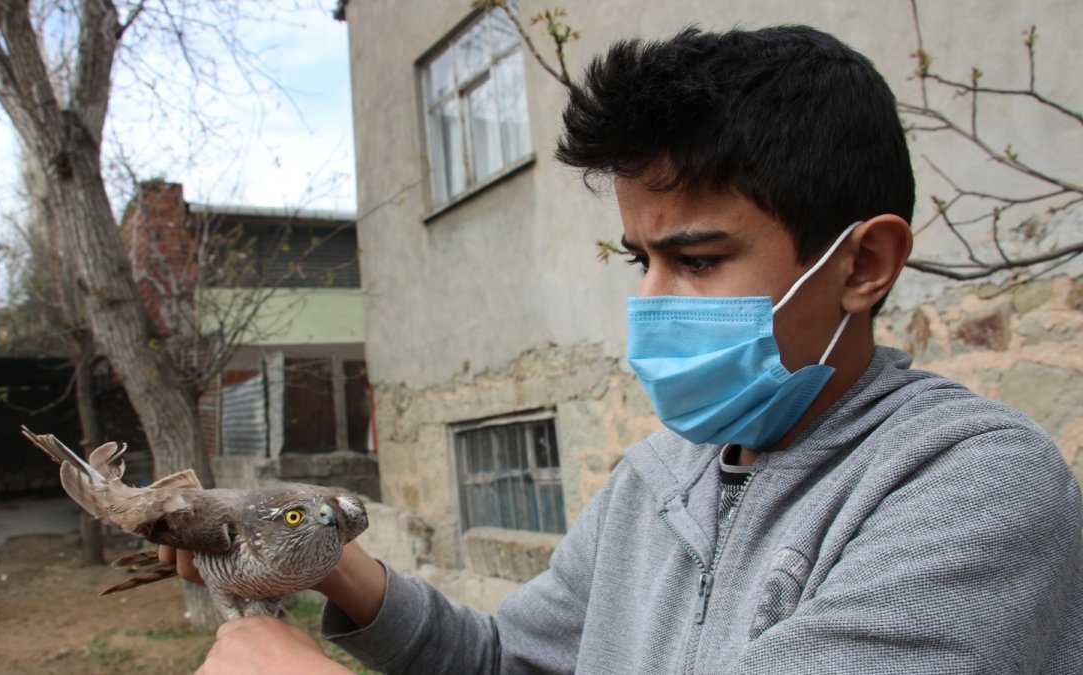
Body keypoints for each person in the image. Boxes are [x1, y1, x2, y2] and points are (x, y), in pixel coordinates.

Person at [169, 24, 1083, 673]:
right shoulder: (657, 480)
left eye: (698, 259)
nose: (648, 303)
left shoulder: (976, 486)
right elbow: (509, 661)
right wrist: (328, 557)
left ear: (864, 264)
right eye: (639, 259)